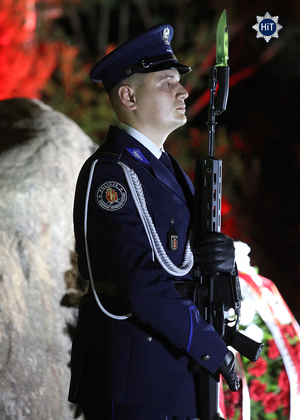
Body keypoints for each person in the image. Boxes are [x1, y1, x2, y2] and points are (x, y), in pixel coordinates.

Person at [68, 24, 240, 420]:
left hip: (170, 369)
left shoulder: (165, 169)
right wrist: (210, 348)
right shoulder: (111, 174)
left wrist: (220, 256)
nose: (183, 92)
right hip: (134, 376)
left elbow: (182, 256)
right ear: (128, 96)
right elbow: (142, 284)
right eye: (167, 83)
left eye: (179, 82)